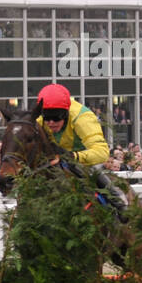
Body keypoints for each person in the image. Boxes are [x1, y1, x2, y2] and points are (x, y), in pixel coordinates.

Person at [34, 82, 125, 213]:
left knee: (92, 171)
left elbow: (102, 152)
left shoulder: (83, 118)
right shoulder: (40, 121)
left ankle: (119, 203)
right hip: (57, 161)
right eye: (47, 118)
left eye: (56, 117)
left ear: (66, 113)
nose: (51, 123)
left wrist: (75, 156)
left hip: (83, 160)